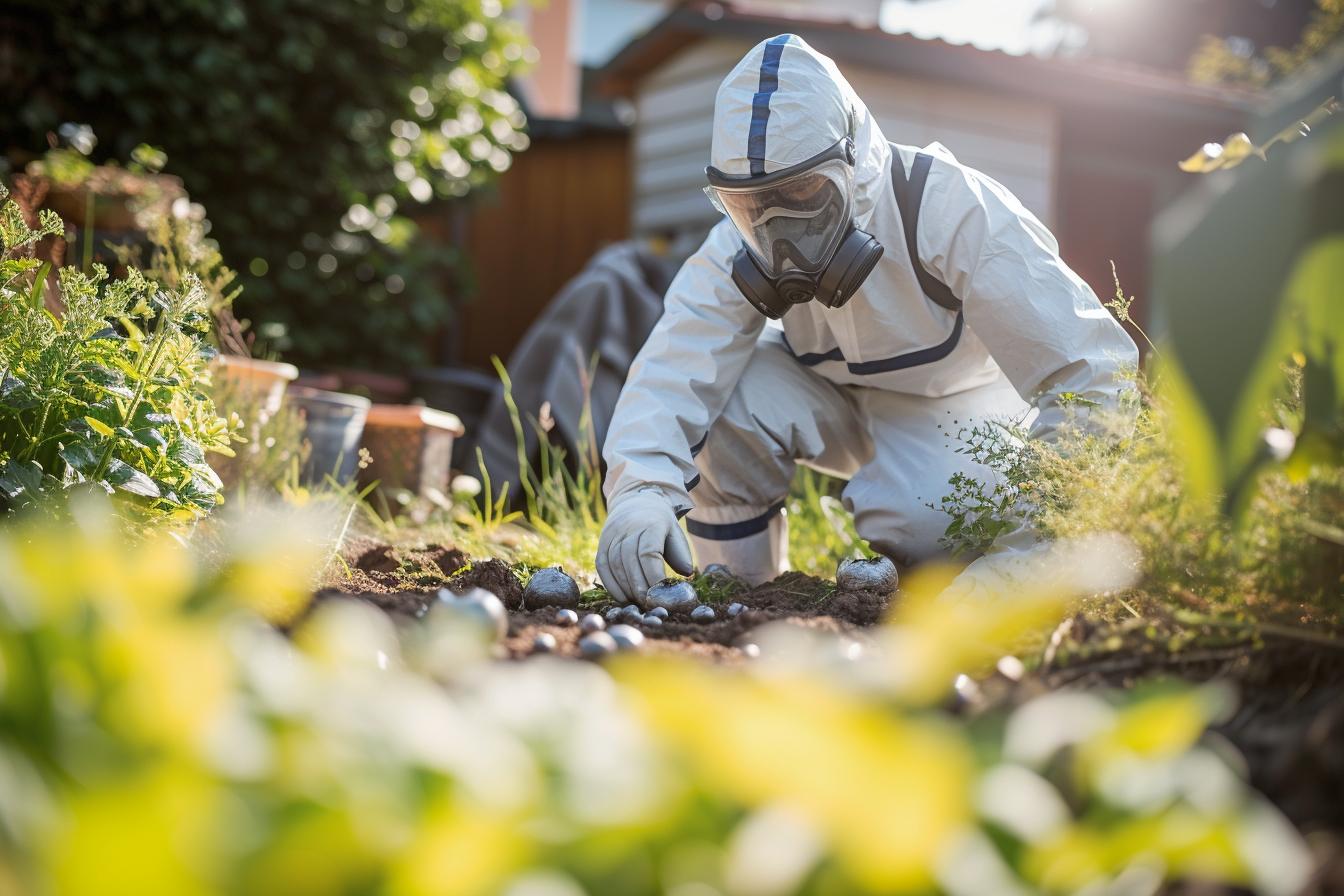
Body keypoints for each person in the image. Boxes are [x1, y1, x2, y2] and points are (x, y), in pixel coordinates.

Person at [595, 34, 1138, 604]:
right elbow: (673, 368)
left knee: (931, 530)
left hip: (957, 408)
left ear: (854, 162)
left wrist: (1033, 550)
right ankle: (743, 598)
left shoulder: (953, 210)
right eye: (753, 207)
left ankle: (955, 567)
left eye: (804, 194)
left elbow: (1092, 370)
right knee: (723, 406)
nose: (782, 241)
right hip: (834, 400)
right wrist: (640, 490)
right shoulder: (731, 248)